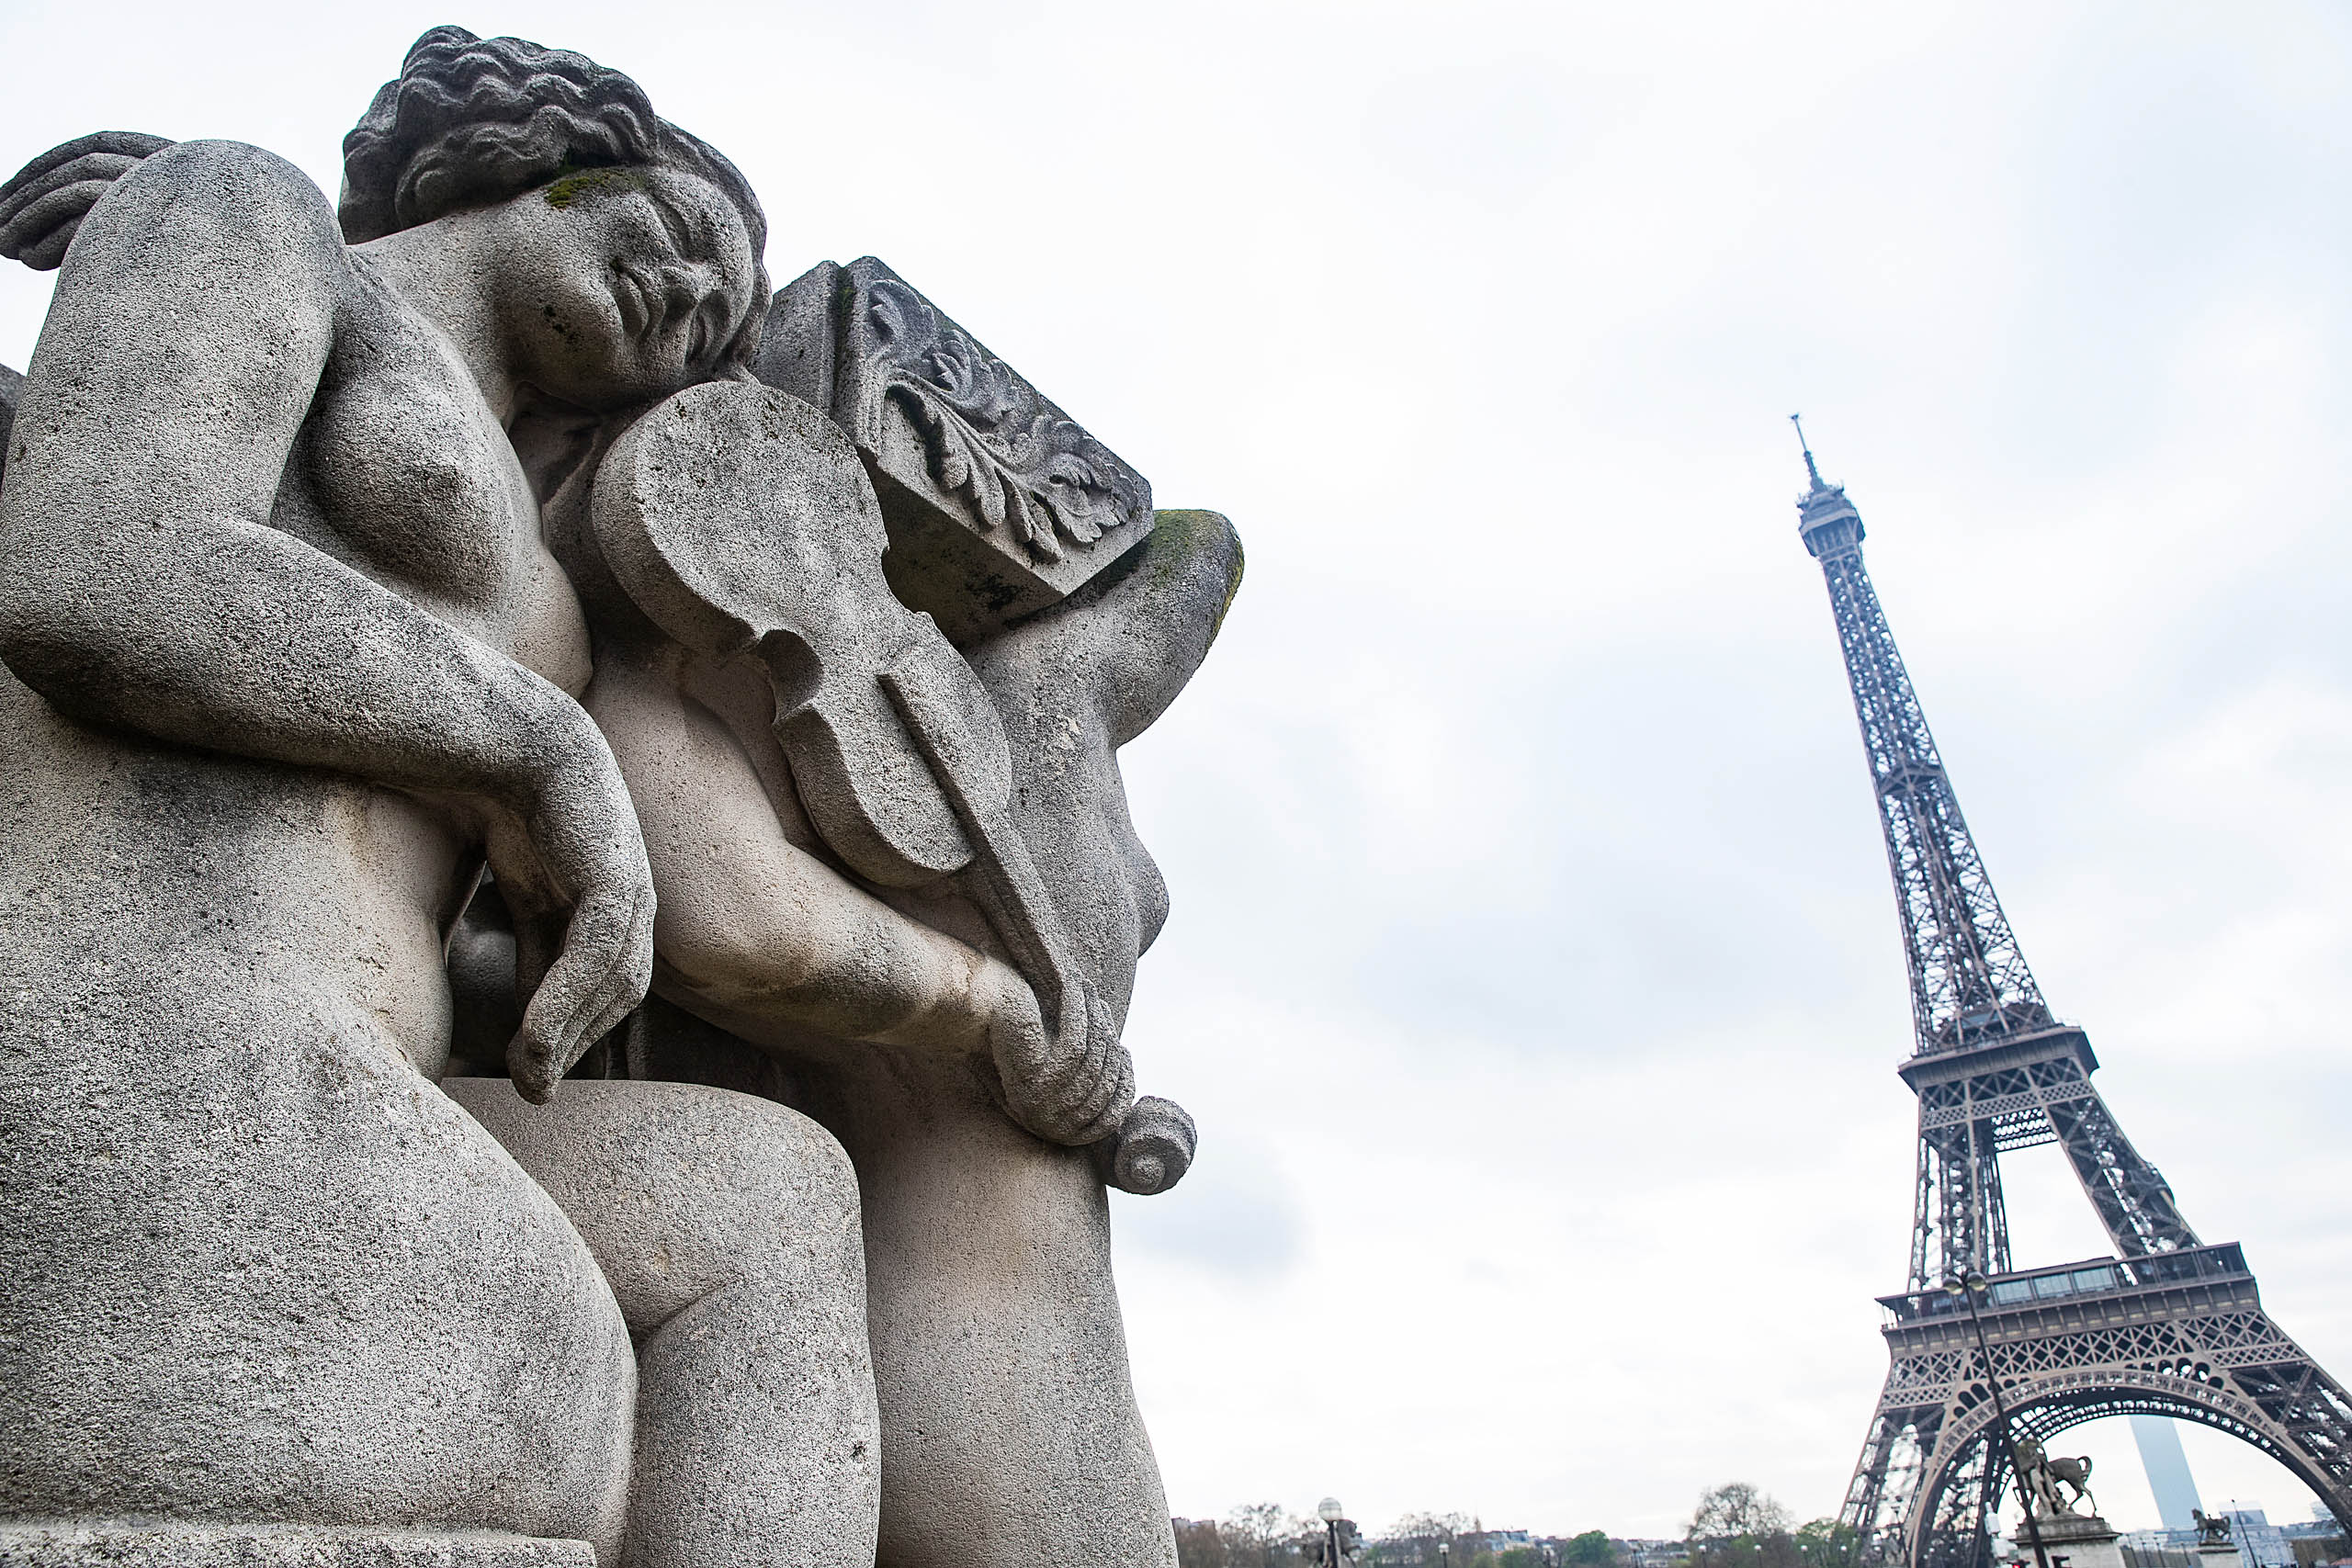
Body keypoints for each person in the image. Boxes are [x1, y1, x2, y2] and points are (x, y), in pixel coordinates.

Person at [0, 28, 877, 1567]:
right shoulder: (243, 208)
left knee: (773, 1203)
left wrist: (537, 950)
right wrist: (538, 746)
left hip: (370, 1041)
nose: (685, 297)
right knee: (511, 1403)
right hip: (150, 994)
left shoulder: (546, 559)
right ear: (539, 158)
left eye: (710, 324)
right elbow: (97, 562)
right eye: (678, 229)